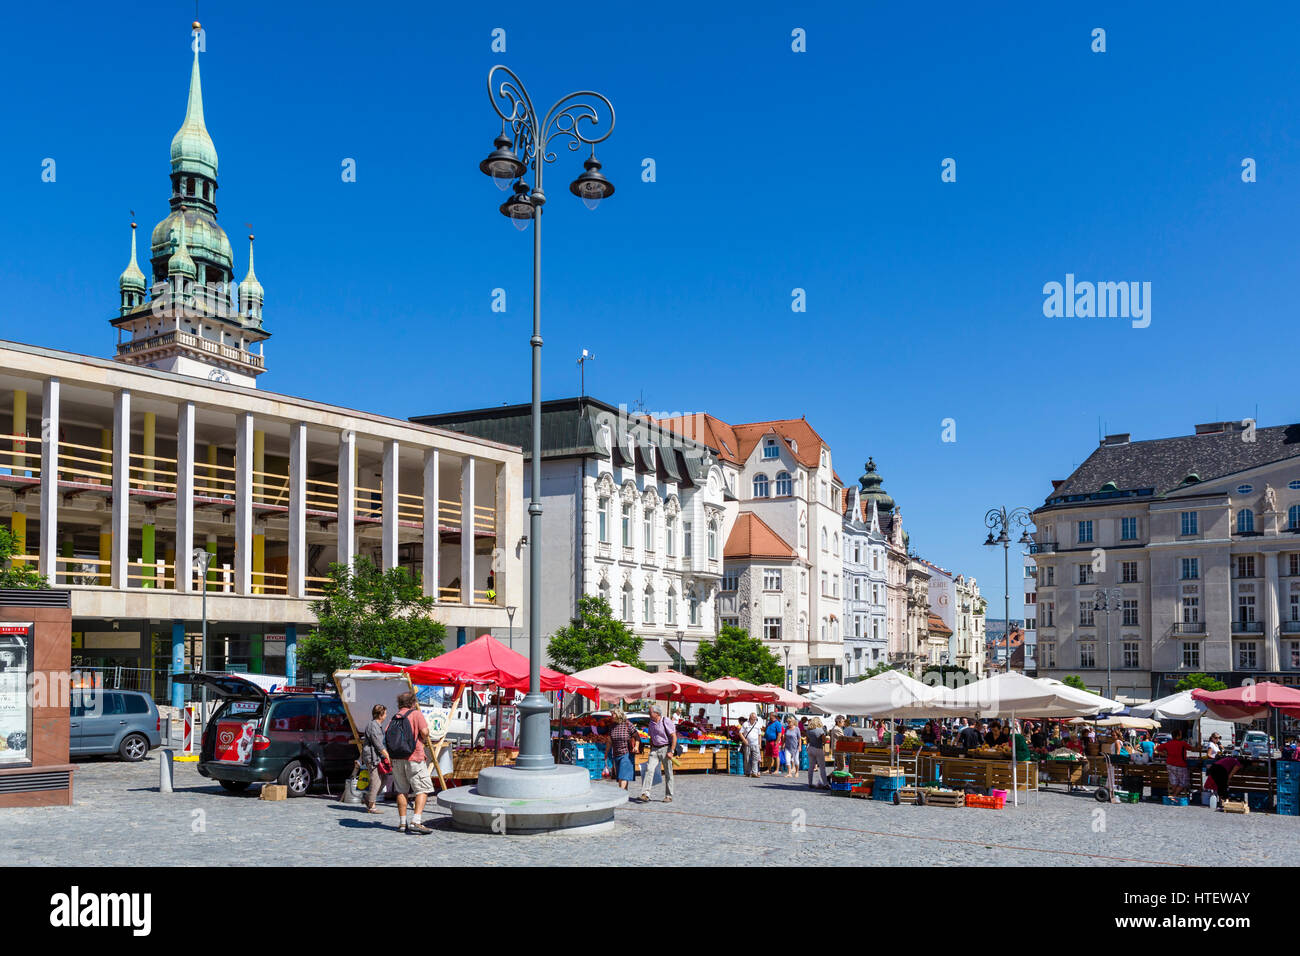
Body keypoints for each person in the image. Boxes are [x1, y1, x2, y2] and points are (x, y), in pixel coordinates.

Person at [387, 691, 435, 835]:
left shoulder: (395, 716)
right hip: (414, 757)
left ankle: (402, 823)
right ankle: (416, 821)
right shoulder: (416, 714)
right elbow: (425, 732)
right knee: (423, 788)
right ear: (413, 702)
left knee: (402, 790)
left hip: (396, 758)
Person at [639, 706, 676, 803]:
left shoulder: (666, 721)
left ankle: (669, 795)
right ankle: (645, 794)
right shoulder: (651, 723)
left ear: (657, 713)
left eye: (650, 712)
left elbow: (674, 736)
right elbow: (651, 737)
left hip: (665, 748)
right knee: (649, 769)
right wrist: (651, 749)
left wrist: (671, 751)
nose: (648, 713)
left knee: (668, 773)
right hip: (655, 749)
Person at [359, 703, 391, 814]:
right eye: (385, 713)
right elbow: (378, 744)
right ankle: (371, 805)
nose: (386, 715)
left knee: (384, 779)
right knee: (376, 780)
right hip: (373, 757)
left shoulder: (377, 726)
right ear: (381, 715)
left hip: (377, 757)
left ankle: (368, 799)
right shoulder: (373, 726)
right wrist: (388, 756)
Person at [608, 707, 639, 791]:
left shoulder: (627, 724)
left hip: (626, 754)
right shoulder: (612, 726)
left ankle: (620, 794)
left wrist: (636, 746)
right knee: (620, 777)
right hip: (616, 754)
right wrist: (606, 753)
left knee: (623, 776)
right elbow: (610, 741)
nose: (611, 716)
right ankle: (624, 794)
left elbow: (637, 736)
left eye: (613, 714)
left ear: (618, 714)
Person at [1156, 729, 1190, 799]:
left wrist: (1165, 754)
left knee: (1173, 781)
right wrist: (1198, 748)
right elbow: (1192, 749)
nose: (1181, 736)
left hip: (1170, 765)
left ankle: (1173, 796)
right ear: (1177, 736)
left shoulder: (1168, 743)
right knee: (1183, 783)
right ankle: (1174, 795)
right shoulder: (1182, 743)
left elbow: (1157, 749)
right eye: (1180, 734)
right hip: (1181, 765)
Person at [805, 716, 830, 789]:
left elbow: (807, 740)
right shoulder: (820, 730)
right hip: (818, 748)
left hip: (810, 748)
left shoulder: (808, 730)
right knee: (822, 767)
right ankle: (825, 784)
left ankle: (810, 783)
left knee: (811, 767)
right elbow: (824, 741)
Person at [739, 713, 763, 778]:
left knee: (755, 759)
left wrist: (760, 744)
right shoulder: (745, 724)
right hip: (747, 744)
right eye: (753, 718)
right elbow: (740, 733)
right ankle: (747, 772)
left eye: (755, 718)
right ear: (750, 718)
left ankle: (754, 772)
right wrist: (744, 740)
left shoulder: (757, 724)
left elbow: (759, 735)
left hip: (755, 744)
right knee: (747, 758)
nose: (754, 720)